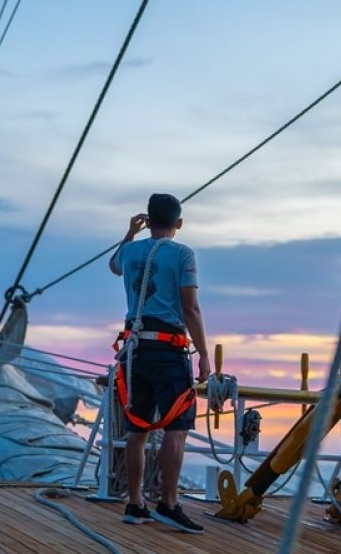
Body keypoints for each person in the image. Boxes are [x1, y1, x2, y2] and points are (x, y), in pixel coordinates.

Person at [108, 193, 211, 533]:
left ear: (148, 221)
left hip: (134, 352)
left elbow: (114, 265)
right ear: (179, 224)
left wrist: (130, 233)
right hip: (168, 351)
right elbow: (190, 307)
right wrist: (205, 355)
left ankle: (135, 503)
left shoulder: (132, 250)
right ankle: (169, 503)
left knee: (137, 430)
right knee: (177, 429)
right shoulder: (183, 254)